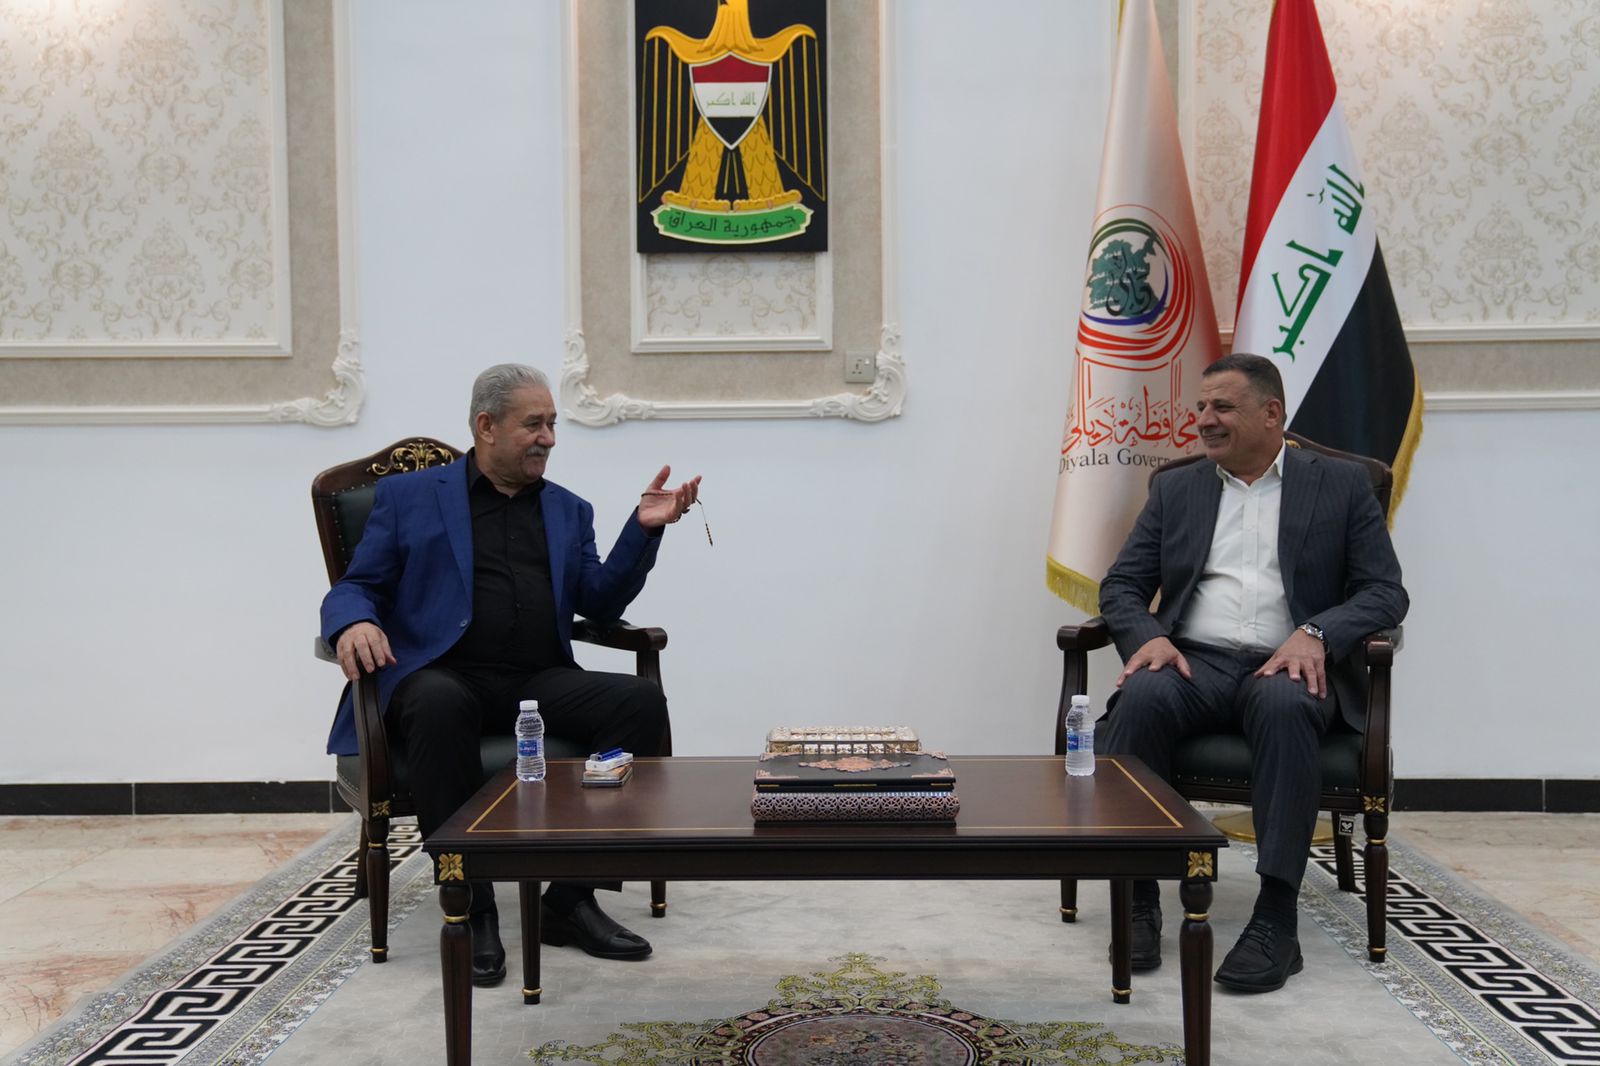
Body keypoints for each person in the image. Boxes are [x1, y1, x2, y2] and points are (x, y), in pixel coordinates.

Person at [320, 363, 700, 986]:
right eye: (534, 424)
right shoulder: (410, 498)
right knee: (437, 701)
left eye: (552, 424)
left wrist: (642, 531)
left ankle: (569, 899)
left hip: (535, 681)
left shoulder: (568, 510)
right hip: (443, 676)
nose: (548, 438)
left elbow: (599, 602)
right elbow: (357, 585)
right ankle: (471, 903)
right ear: (486, 426)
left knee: (637, 702)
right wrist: (353, 623)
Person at [1096, 352, 1408, 994]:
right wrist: (1150, 639)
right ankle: (1139, 896)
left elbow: (1384, 593)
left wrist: (1317, 634)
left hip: (1286, 663)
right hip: (1196, 661)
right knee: (1141, 696)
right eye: (1201, 407)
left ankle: (1275, 917)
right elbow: (1122, 586)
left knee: (1286, 704)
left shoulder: (1343, 484)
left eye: (1222, 407)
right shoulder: (1177, 488)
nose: (1204, 420)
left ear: (1272, 414)